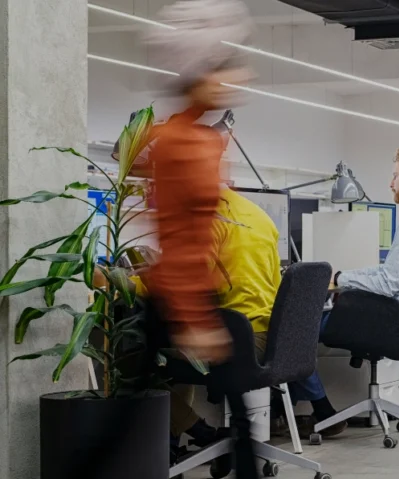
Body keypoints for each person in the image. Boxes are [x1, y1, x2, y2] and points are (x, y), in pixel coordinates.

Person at [142, 1, 259, 477]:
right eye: (227, 69)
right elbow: (179, 241)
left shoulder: (196, 139)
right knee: (239, 406)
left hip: (189, 290)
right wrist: (195, 318)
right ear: (200, 77)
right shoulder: (182, 144)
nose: (239, 78)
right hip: (179, 297)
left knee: (238, 408)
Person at [288, 147, 399, 423]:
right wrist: (347, 276)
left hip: (389, 323)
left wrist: (341, 280)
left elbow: (389, 283)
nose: (391, 183)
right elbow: (392, 273)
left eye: (395, 176)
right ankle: (302, 408)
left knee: (296, 328)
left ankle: (314, 410)